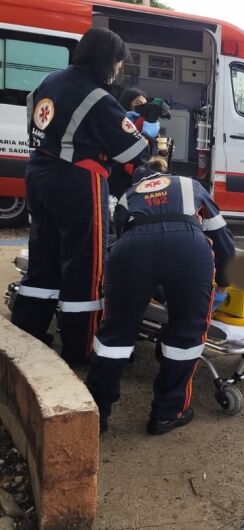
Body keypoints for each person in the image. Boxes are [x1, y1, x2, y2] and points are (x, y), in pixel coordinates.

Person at [11, 28, 149, 366]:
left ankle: (28, 334)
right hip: (78, 181)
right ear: (109, 61)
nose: (118, 70)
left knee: (43, 259)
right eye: (118, 63)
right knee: (86, 266)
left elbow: (35, 119)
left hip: (39, 173)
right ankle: (80, 348)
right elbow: (134, 150)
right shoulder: (98, 97)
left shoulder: (50, 82)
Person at [85, 157, 236, 435]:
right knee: (186, 336)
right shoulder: (192, 185)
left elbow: (123, 242)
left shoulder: (129, 196)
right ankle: (167, 413)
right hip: (188, 248)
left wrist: (153, 289)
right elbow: (222, 238)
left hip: (131, 249)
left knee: (114, 336)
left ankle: (95, 414)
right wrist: (224, 284)